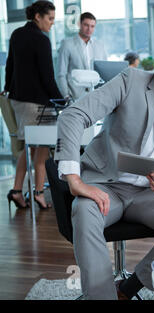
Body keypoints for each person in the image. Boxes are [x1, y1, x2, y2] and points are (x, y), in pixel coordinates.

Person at [55, 31, 154, 300]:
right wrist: (75, 179)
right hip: (107, 185)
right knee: (84, 212)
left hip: (150, 195)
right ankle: (102, 296)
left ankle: (130, 287)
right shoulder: (131, 81)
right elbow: (73, 115)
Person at [2, 0, 63, 211]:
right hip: (37, 103)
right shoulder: (41, 39)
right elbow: (48, 77)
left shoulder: (17, 34)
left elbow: (10, 64)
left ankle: (18, 190)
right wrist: (62, 100)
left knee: (29, 147)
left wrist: (7, 87)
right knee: (42, 147)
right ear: (38, 16)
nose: (52, 23)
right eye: (50, 18)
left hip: (19, 99)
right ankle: (37, 192)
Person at [57, 12, 107, 100]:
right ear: (79, 24)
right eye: (86, 25)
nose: (89, 29)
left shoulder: (100, 46)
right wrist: (66, 95)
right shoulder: (67, 44)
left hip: (96, 97)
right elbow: (61, 73)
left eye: (92, 26)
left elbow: (104, 72)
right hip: (75, 97)